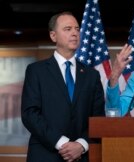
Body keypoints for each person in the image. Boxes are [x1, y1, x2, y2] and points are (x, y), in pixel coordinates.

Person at [21, 11, 105, 162]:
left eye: (77, 29)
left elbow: (98, 117)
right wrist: (62, 143)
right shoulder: (36, 71)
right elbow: (30, 114)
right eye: (68, 29)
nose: (75, 33)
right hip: (45, 154)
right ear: (53, 36)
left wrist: (81, 145)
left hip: (82, 156)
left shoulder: (92, 75)